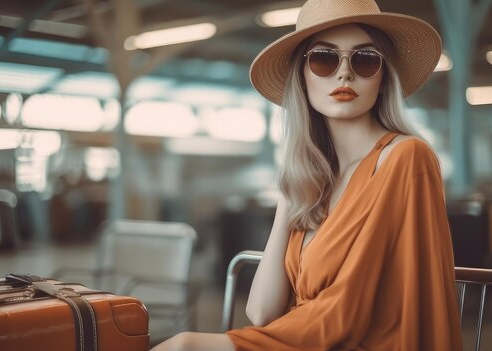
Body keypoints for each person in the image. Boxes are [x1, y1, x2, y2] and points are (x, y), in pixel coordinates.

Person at [152, 0, 463, 350]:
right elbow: (262, 310)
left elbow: (347, 311)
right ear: (301, 75)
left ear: (383, 76)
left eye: (365, 60)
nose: (344, 74)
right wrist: (291, 191)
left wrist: (216, 346)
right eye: (324, 59)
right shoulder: (314, 179)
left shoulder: (406, 158)